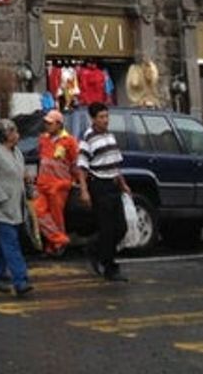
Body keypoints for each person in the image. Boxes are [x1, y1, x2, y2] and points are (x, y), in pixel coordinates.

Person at [76, 101, 132, 282]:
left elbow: (115, 163)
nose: (105, 120)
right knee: (107, 228)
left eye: (107, 116)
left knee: (121, 227)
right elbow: (81, 167)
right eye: (101, 117)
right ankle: (110, 266)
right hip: (99, 185)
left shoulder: (110, 136)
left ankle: (95, 247)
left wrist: (123, 184)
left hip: (113, 184)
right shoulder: (88, 138)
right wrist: (84, 191)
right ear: (93, 119)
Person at [0, 118, 33, 297]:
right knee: (11, 243)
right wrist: (0, 196)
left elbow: (21, 175)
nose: (17, 135)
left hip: (15, 205)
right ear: (6, 134)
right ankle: (20, 279)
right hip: (1, 207)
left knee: (5, 246)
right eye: (13, 132)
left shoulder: (17, 152)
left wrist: (28, 190)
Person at [34, 108, 79, 256]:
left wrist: (74, 181)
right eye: (46, 123)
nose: (47, 125)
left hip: (59, 184)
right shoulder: (43, 139)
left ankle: (55, 246)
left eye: (50, 123)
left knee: (56, 216)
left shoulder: (69, 141)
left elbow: (75, 164)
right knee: (39, 212)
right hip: (42, 183)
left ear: (59, 125)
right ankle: (60, 239)